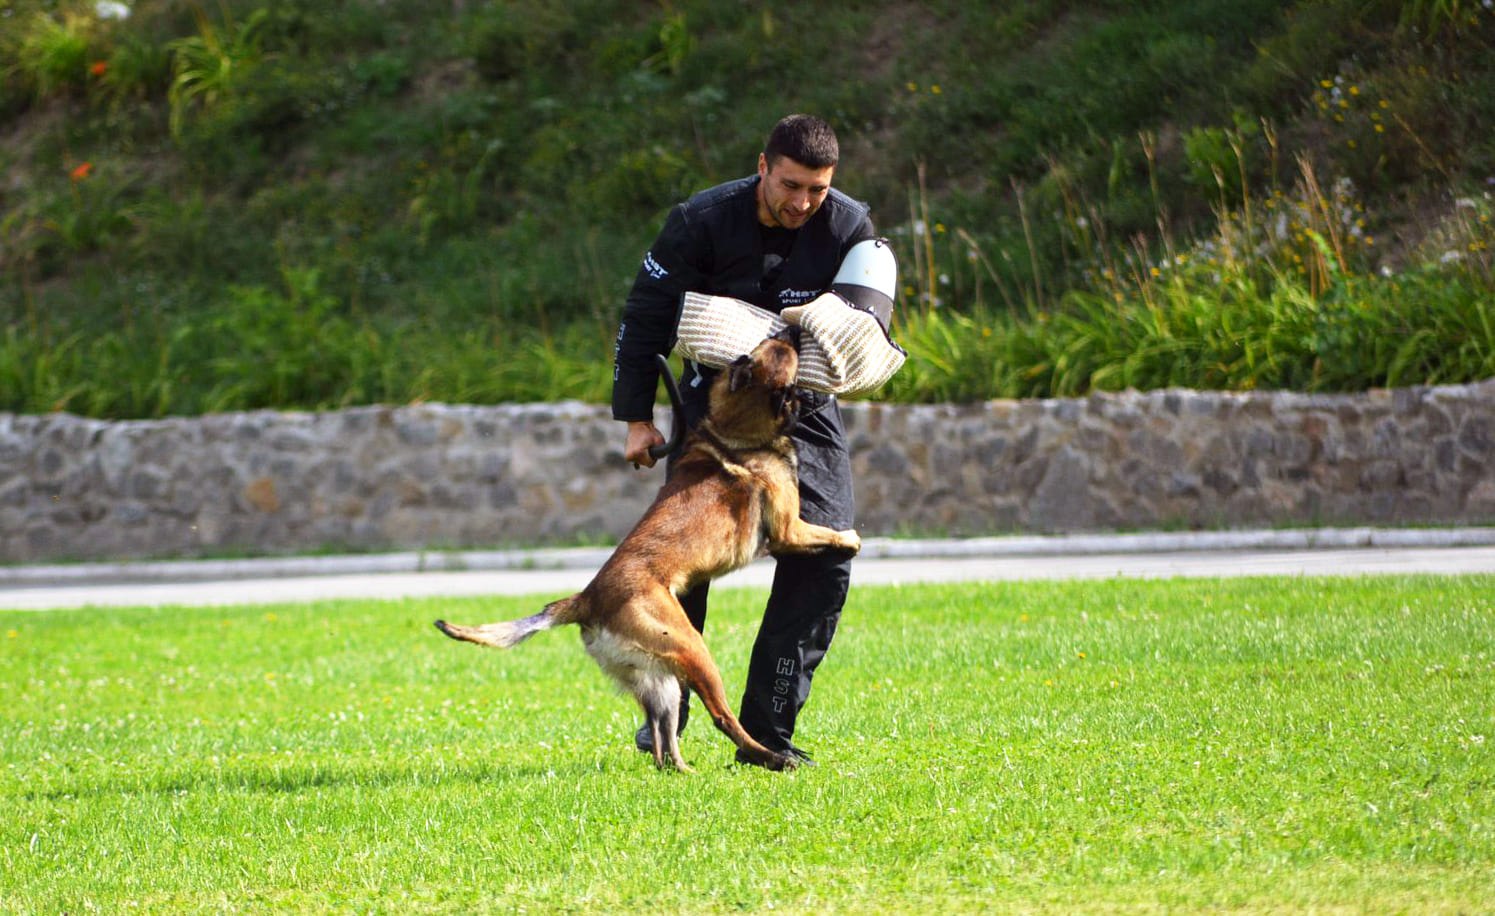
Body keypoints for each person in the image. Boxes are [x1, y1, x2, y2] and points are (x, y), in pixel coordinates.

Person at [610, 114, 877, 768]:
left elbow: (866, 320)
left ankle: (767, 732)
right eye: (790, 185)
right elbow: (645, 313)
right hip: (715, 402)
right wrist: (636, 416)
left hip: (802, 403)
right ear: (762, 166)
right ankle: (666, 707)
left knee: (825, 557)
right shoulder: (701, 220)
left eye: (815, 190)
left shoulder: (848, 227)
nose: (801, 203)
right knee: (680, 561)